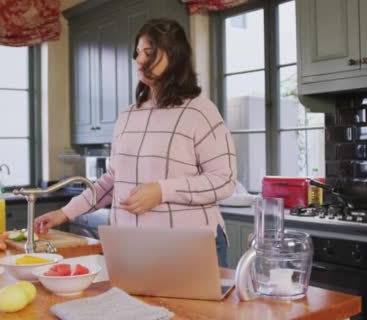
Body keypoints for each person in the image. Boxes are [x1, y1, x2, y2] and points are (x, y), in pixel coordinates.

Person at [34, 18, 237, 267]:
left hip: (189, 247)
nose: (139, 60)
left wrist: (162, 191)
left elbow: (224, 179)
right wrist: (65, 212)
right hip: (132, 247)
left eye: (149, 52)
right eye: (138, 52)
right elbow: (113, 180)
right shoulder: (128, 115)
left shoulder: (200, 111)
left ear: (174, 56)